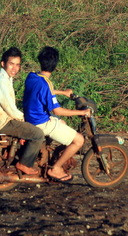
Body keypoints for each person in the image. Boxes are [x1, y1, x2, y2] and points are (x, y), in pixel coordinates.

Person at [22, 46, 92, 182]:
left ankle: (46, 152)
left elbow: (46, 92)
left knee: (62, 122)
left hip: (31, 117)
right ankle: (56, 168)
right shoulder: (46, 84)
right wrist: (81, 112)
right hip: (41, 122)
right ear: (55, 65)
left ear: (41, 61)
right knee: (79, 140)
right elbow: (57, 110)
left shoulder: (32, 76)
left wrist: (63, 92)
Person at [0, 47, 45, 176]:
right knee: (38, 134)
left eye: (17, 65)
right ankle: (25, 164)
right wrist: (25, 120)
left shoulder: (2, 78)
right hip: (2, 121)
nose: (14, 68)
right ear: (3, 64)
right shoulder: (1, 81)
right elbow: (10, 109)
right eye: (11, 64)